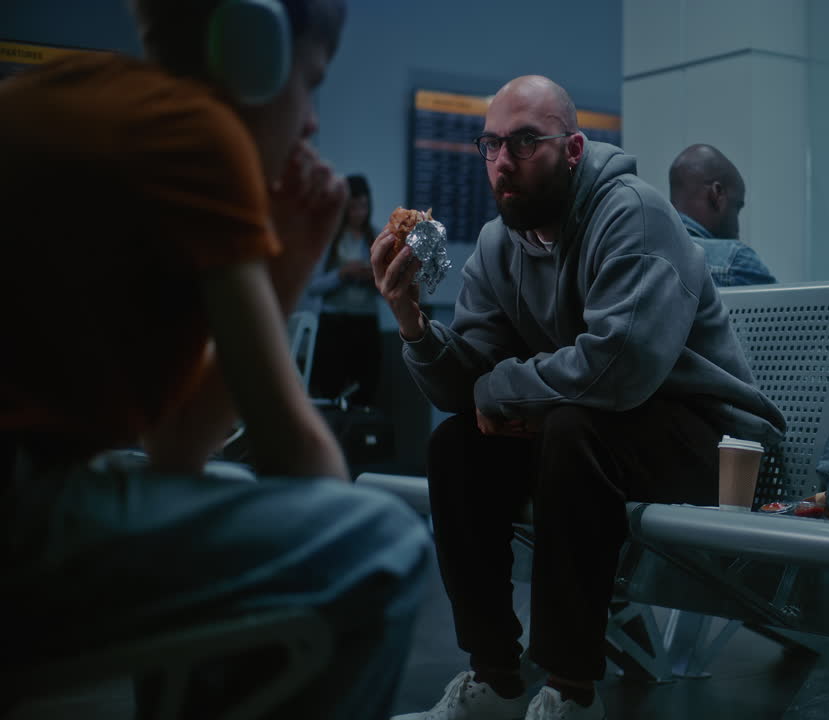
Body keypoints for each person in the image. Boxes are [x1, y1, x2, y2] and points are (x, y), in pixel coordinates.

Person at [0, 1, 429, 717]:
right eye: (312, 81)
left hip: (29, 487)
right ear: (255, 50)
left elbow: (177, 447)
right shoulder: (200, 133)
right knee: (384, 540)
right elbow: (299, 454)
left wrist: (287, 264)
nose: (314, 121)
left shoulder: (77, 98)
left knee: (225, 486)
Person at [374, 75, 785, 720]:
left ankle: (571, 691)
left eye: (525, 142)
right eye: (491, 144)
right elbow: (466, 391)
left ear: (572, 149)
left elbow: (618, 366)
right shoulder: (497, 244)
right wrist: (412, 323)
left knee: (571, 429)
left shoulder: (633, 214)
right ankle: (493, 680)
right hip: (601, 435)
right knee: (457, 444)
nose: (503, 160)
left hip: (718, 444)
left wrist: (499, 390)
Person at [306, 173, 384, 406]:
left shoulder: (377, 237)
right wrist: (342, 274)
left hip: (366, 325)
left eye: (363, 206)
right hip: (334, 325)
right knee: (331, 392)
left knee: (365, 395)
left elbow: (388, 288)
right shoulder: (330, 237)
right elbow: (313, 287)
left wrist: (373, 277)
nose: (358, 213)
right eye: (353, 207)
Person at [669, 143, 776, 286]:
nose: (737, 227)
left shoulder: (640, 250)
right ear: (716, 193)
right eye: (736, 207)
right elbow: (793, 307)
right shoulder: (733, 260)